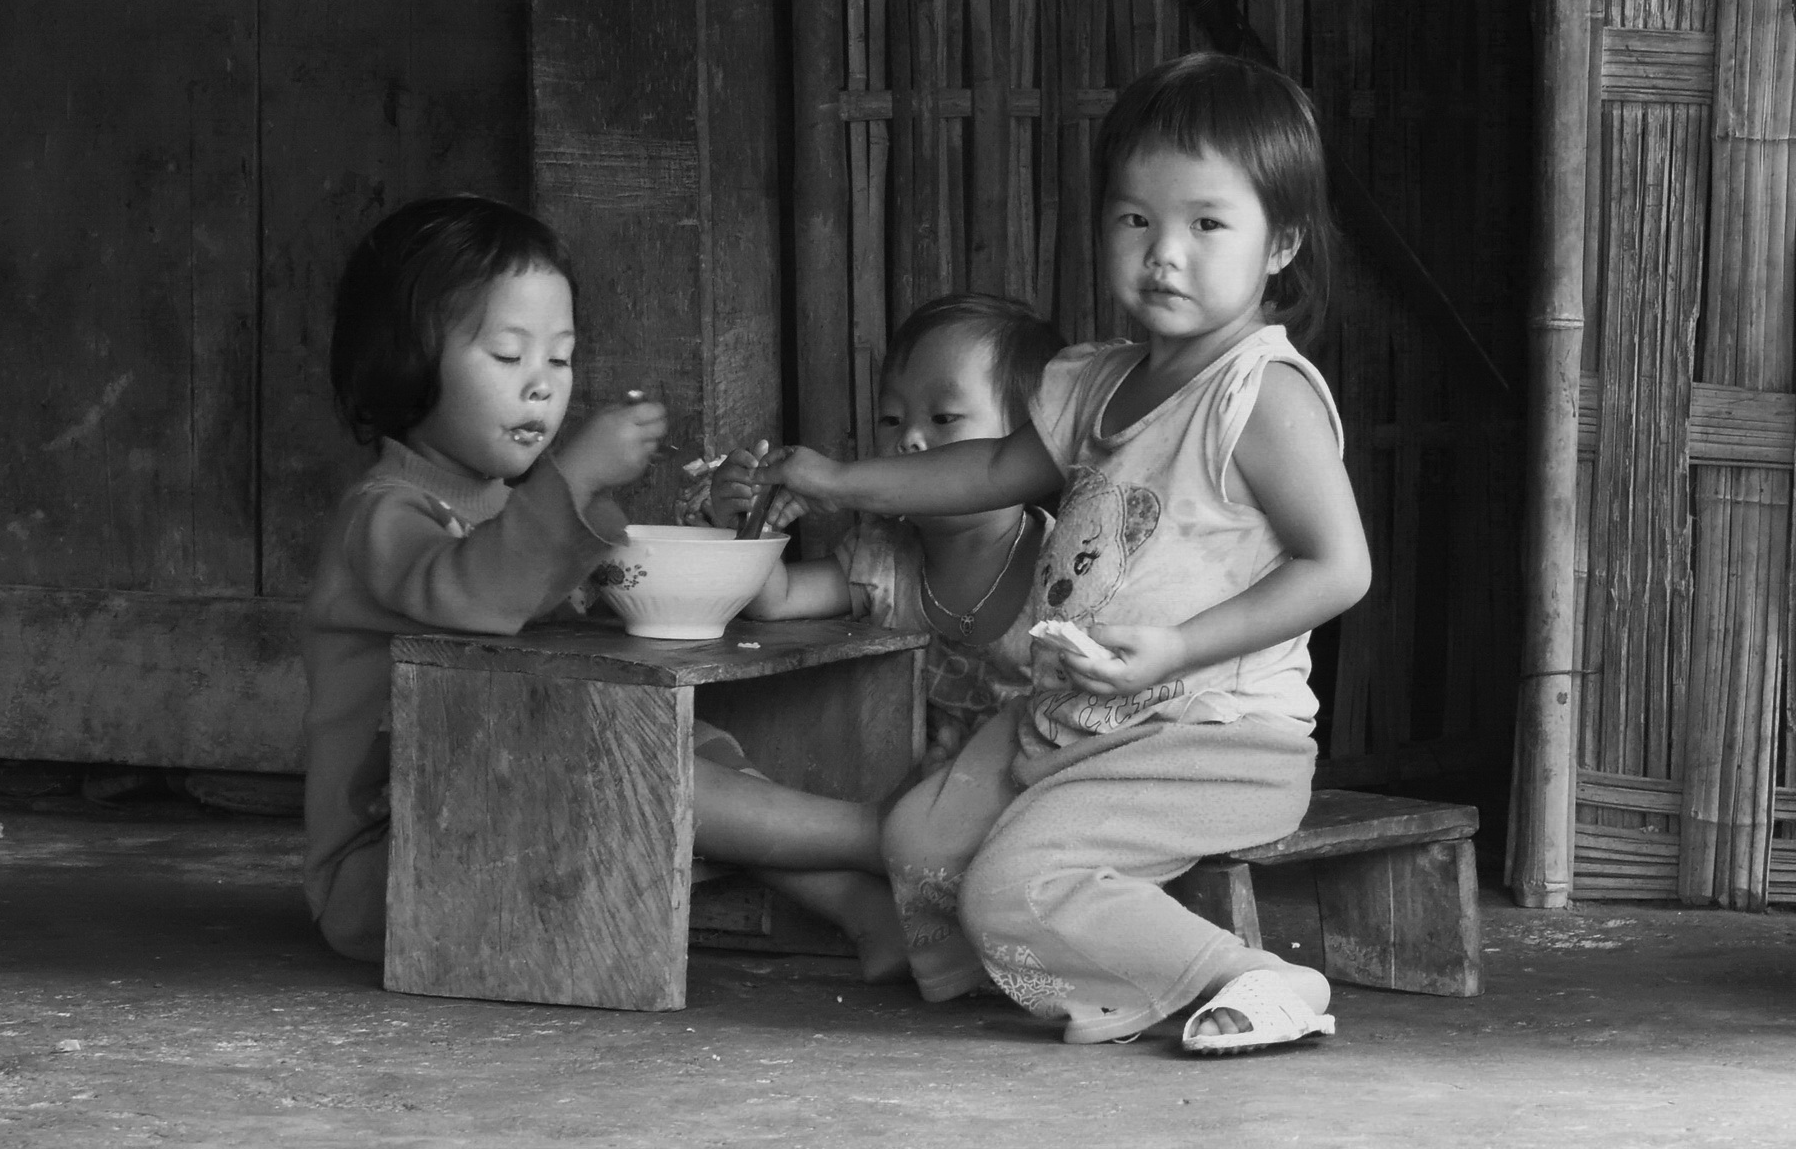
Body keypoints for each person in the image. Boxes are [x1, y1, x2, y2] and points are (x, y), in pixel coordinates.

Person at [755, 53, 1372, 1053]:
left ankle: (1252, 976)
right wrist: (839, 479)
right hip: (1076, 718)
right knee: (918, 837)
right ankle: (1031, 965)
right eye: (1135, 219)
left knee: (1012, 887)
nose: (1163, 253)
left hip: (1210, 738)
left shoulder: (1260, 395)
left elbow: (1338, 568)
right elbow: (990, 468)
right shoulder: (1096, 382)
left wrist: (1178, 647)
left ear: (1283, 244)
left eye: (1207, 224)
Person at [302, 194, 906, 976]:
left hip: (494, 813)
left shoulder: (508, 508)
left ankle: (864, 909)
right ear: (406, 360)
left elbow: (598, 580)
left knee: (681, 746)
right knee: (634, 767)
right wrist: (574, 475)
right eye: (508, 355)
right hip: (395, 860)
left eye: (559, 359)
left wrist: (714, 521)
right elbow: (476, 596)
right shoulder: (386, 515)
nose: (541, 387)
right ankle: (884, 836)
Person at [700, 293, 1062, 1000]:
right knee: (681, 777)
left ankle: (882, 876)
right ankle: (874, 897)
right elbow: (774, 598)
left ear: (1027, 447)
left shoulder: (1065, 567)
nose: (910, 441)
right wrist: (744, 518)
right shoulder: (883, 554)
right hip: (891, 810)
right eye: (892, 419)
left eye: (944, 418)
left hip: (1003, 838)